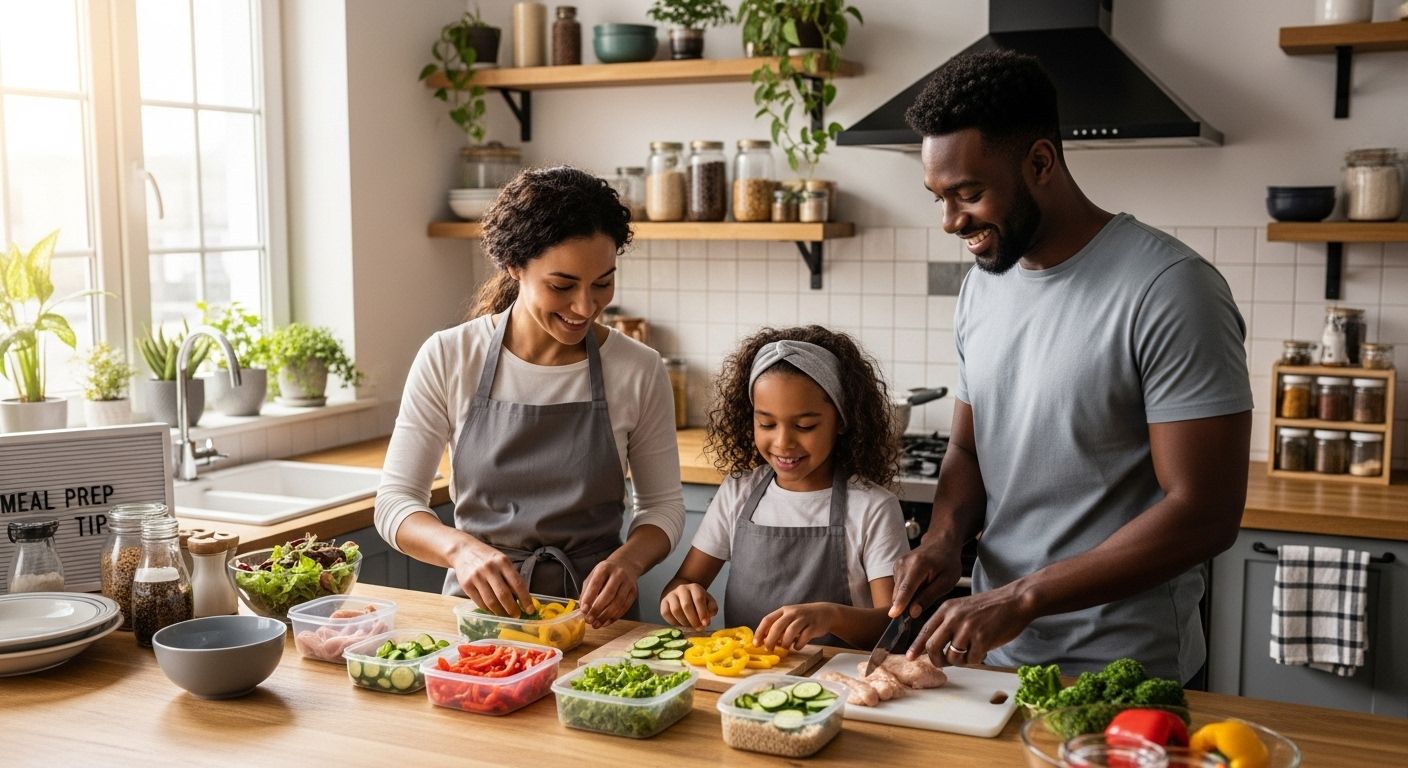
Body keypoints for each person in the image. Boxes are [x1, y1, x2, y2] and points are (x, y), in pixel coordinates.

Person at [890, 50, 1253, 683]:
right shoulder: (985, 285)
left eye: (968, 194)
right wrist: (944, 539)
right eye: (938, 198)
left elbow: (1204, 512)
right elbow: (970, 450)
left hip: (1127, 671)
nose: (950, 222)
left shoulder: (1170, 288)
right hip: (998, 661)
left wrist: (1023, 596)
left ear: (1040, 162)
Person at [374, 166, 684, 628]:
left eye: (602, 282)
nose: (585, 307)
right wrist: (460, 550)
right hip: (478, 617)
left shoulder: (637, 368)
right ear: (515, 266)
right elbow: (395, 502)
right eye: (562, 286)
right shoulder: (450, 355)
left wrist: (629, 563)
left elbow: (663, 507)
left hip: (593, 621)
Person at [659, 326, 909, 650]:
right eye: (766, 423)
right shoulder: (738, 493)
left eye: (805, 426)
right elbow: (681, 584)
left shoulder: (872, 508)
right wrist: (680, 597)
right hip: (747, 684)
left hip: (836, 686)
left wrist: (830, 617)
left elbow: (893, 627)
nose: (783, 442)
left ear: (843, 421)